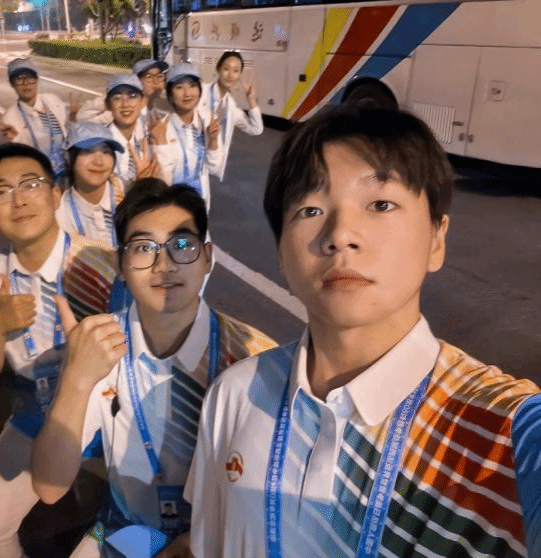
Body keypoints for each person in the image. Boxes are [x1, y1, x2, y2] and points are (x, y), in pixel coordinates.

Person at [185, 104, 541, 557]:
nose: (341, 234)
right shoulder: (234, 395)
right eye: (310, 209)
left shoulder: (502, 433)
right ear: (281, 254)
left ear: (437, 238)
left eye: (380, 204)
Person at [31, 180, 277, 558]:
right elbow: (49, 487)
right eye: (144, 248)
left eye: (183, 245)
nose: (165, 265)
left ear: (207, 258)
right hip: (127, 530)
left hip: (217, 541)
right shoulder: (98, 347)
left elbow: (268, 498)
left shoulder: (255, 358)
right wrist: (75, 380)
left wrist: (200, 542)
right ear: (120, 265)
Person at [0, 143, 121, 558]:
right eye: (1, 191)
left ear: (55, 194)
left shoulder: (104, 264)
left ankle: (120, 521)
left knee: (141, 521)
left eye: (30, 184)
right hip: (37, 412)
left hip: (116, 414)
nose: (18, 199)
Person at [151, 63, 222, 210]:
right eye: (179, 87)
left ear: (199, 91)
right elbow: (163, 181)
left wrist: (213, 140)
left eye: (192, 85)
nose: (187, 93)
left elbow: (214, 169)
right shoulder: (161, 129)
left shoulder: (207, 121)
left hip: (200, 204)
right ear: (170, 95)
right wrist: (162, 144)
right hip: (173, 207)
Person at [0, 58, 75, 180]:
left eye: (30, 77)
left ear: (36, 80)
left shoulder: (52, 100)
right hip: (39, 176)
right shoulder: (9, 119)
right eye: (19, 79)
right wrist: (14, 140)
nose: (26, 83)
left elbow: (67, 131)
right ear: (12, 84)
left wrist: (73, 116)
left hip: (66, 172)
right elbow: (17, 157)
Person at [56, 122, 125, 249]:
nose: (99, 161)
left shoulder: (124, 192)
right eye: (88, 151)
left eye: (106, 151)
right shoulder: (61, 214)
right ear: (69, 157)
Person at [199, 50, 263, 182]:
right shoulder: (201, 91)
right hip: (190, 158)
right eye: (226, 69)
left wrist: (251, 100)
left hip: (209, 163)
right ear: (218, 69)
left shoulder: (231, 106)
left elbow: (256, 129)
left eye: (235, 71)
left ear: (239, 75)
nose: (230, 75)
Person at [104, 73, 160, 187]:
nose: (125, 104)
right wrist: (141, 183)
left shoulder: (145, 141)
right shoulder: (101, 146)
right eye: (117, 98)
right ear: (108, 104)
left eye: (132, 96)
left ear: (142, 101)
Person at [77, 58, 171, 126]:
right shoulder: (124, 111)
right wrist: (110, 100)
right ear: (136, 81)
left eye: (159, 76)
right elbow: (83, 117)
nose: (156, 81)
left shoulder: (160, 111)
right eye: (149, 77)